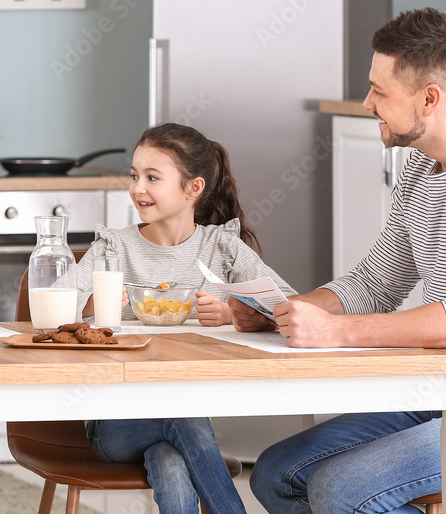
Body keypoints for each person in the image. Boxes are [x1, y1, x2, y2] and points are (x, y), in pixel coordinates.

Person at [241, 8, 446, 513]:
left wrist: (336, 332)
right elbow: (376, 281)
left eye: (380, 91)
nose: (366, 103)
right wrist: (284, 310)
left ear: (429, 98)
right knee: (276, 474)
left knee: (342, 489)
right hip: (443, 394)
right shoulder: (423, 169)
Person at [76, 123, 297, 514]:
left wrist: (233, 312)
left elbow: (291, 307)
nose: (137, 188)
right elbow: (54, 304)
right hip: (113, 424)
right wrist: (93, 304)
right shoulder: (114, 246)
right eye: (134, 176)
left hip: (177, 421)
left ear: (193, 188)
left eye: (152, 177)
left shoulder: (222, 247)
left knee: (170, 462)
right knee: (185, 418)